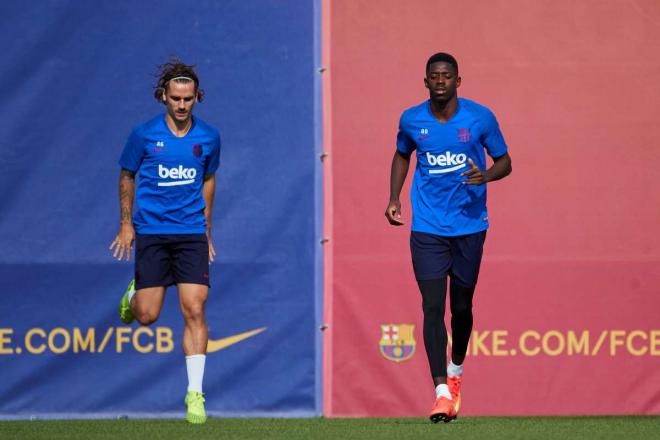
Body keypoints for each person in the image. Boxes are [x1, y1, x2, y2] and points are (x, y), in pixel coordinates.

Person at [385, 52, 512, 423]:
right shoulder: (412, 119)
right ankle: (440, 391)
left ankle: (455, 373)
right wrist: (394, 197)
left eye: (447, 76)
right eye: (434, 76)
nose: (440, 81)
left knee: (461, 308)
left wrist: (486, 176)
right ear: (425, 81)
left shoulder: (480, 118)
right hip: (427, 227)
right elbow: (401, 155)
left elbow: (505, 161)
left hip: (470, 226)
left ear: (458, 81)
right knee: (431, 306)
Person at [109, 59, 221, 424]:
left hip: (189, 232)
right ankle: (134, 293)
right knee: (147, 315)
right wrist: (126, 225)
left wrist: (206, 233)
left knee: (195, 308)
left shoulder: (208, 137)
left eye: (188, 99)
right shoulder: (143, 135)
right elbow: (127, 176)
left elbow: (208, 181)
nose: (182, 105)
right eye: (176, 98)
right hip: (153, 232)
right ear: (163, 97)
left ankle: (194, 394)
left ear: (197, 98)